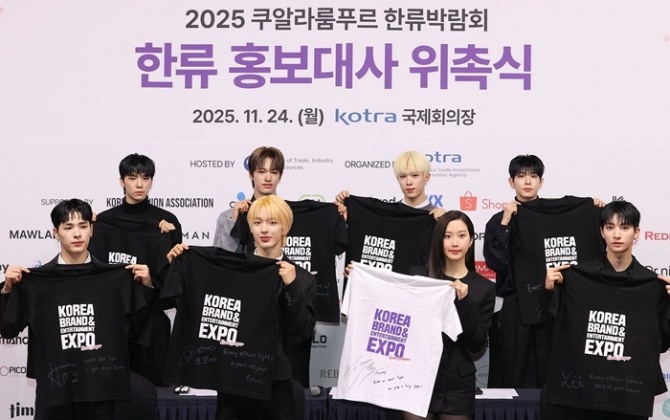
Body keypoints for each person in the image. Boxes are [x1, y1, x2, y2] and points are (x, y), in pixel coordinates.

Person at [0, 199, 154, 420]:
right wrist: (7, 290)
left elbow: (139, 330)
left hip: (102, 391)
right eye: (68, 227)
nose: (77, 234)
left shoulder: (115, 279)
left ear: (92, 229)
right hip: (55, 393)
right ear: (55, 233)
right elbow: (7, 330)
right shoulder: (36, 281)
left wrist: (146, 287)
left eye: (83, 226)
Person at [169, 195, 316, 420]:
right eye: (257, 222)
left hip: (277, 386)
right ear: (250, 227)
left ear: (285, 227)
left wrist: (292, 287)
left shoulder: (302, 279)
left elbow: (301, 332)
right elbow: (192, 301)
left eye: (272, 223)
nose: (264, 229)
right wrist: (178, 266)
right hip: (233, 383)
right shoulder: (231, 271)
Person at [484, 154, 605, 388]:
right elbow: (495, 262)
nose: (527, 181)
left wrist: (593, 211)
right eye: (521, 176)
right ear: (511, 182)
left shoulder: (559, 215)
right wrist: (505, 223)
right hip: (517, 307)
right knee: (512, 376)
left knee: (552, 374)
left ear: (541, 181)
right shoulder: (499, 220)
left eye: (533, 176)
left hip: (554, 305)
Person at [542, 201, 670, 419]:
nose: (617, 234)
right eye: (610, 227)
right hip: (579, 398)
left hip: (627, 398)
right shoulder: (575, 279)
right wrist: (548, 292)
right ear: (602, 232)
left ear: (636, 233)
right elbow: (554, 329)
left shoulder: (653, 287)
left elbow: (662, 342)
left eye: (625, 227)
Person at [405, 211, 495, 420]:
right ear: (439, 240)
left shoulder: (484, 288)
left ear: (471, 240)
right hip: (417, 379)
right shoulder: (419, 278)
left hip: (458, 386)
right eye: (447, 236)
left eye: (461, 235)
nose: (455, 242)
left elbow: (477, 345)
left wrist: (464, 302)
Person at [335, 150, 445, 220]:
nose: (408, 182)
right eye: (403, 176)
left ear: (426, 178)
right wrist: (346, 217)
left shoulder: (438, 217)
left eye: (415, 175)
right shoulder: (388, 214)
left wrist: (445, 222)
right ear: (397, 179)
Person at [213, 146, 284, 252]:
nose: (268, 178)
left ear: (280, 176)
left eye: (274, 172)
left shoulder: (289, 214)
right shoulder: (227, 216)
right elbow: (218, 257)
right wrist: (234, 221)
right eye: (261, 171)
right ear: (251, 174)